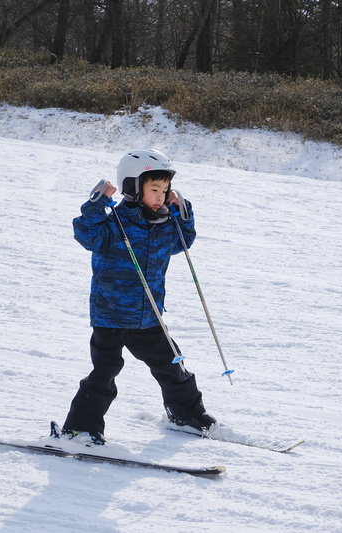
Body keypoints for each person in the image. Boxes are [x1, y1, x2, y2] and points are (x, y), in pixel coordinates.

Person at [60, 148, 216, 445]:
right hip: (111, 315)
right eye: (154, 189)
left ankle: (186, 414)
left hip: (149, 316)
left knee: (173, 365)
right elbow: (85, 234)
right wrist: (98, 203)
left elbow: (183, 242)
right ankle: (80, 428)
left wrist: (184, 216)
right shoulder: (113, 225)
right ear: (133, 187)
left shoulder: (164, 225)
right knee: (104, 373)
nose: (160, 196)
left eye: (165, 190)